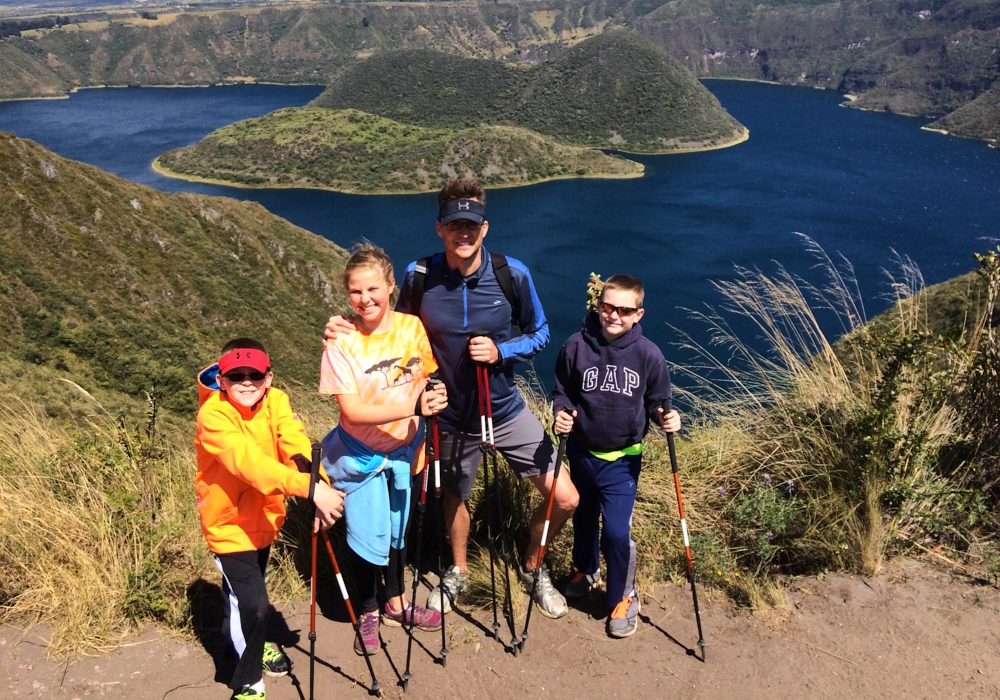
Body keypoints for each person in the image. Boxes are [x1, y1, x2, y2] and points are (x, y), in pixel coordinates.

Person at [325, 178, 579, 619]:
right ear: (439, 228)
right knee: (455, 496)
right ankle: (458, 570)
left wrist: (504, 350)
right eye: (454, 225)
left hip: (503, 408)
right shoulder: (419, 276)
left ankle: (532, 567)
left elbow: (540, 333)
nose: (464, 233)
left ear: (485, 228)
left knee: (566, 497)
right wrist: (346, 323)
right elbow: (392, 328)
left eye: (472, 225)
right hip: (448, 415)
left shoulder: (510, 274)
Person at [195, 338, 346, 700]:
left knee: (248, 598)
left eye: (255, 375)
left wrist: (315, 482)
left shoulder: (276, 400)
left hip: (266, 518)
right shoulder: (212, 416)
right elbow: (249, 464)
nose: (247, 382)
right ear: (221, 379)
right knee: (252, 604)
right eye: (236, 376)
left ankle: (254, 640)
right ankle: (248, 682)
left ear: (268, 377)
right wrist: (310, 492)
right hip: (228, 525)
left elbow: (292, 441)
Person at [319, 243, 448, 656]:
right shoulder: (341, 343)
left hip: (406, 452)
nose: (365, 299)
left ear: (392, 286)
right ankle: (368, 609)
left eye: (373, 289)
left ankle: (396, 602)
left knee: (397, 533)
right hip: (362, 456)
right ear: (347, 294)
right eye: (356, 292)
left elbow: (426, 375)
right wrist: (412, 406)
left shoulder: (412, 328)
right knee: (363, 538)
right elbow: (353, 412)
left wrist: (432, 398)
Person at [552, 274, 681, 638]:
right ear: (598, 306)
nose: (614, 316)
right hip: (581, 451)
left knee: (615, 531)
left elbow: (659, 403)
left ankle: (623, 595)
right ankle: (585, 569)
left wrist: (666, 418)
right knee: (583, 516)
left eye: (624, 310)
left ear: (638, 314)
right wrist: (560, 411)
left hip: (623, 459)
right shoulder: (576, 346)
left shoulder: (649, 355)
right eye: (608, 307)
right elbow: (562, 390)